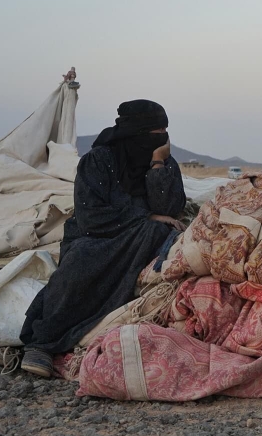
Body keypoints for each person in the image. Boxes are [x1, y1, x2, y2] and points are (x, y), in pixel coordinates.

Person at [20, 100, 187, 377]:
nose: (162, 136)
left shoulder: (165, 162)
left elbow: (169, 209)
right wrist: (145, 216)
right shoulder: (99, 160)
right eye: (156, 130)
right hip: (95, 234)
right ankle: (43, 343)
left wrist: (157, 164)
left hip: (138, 236)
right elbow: (91, 214)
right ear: (137, 131)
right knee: (81, 261)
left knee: (161, 234)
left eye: (164, 130)